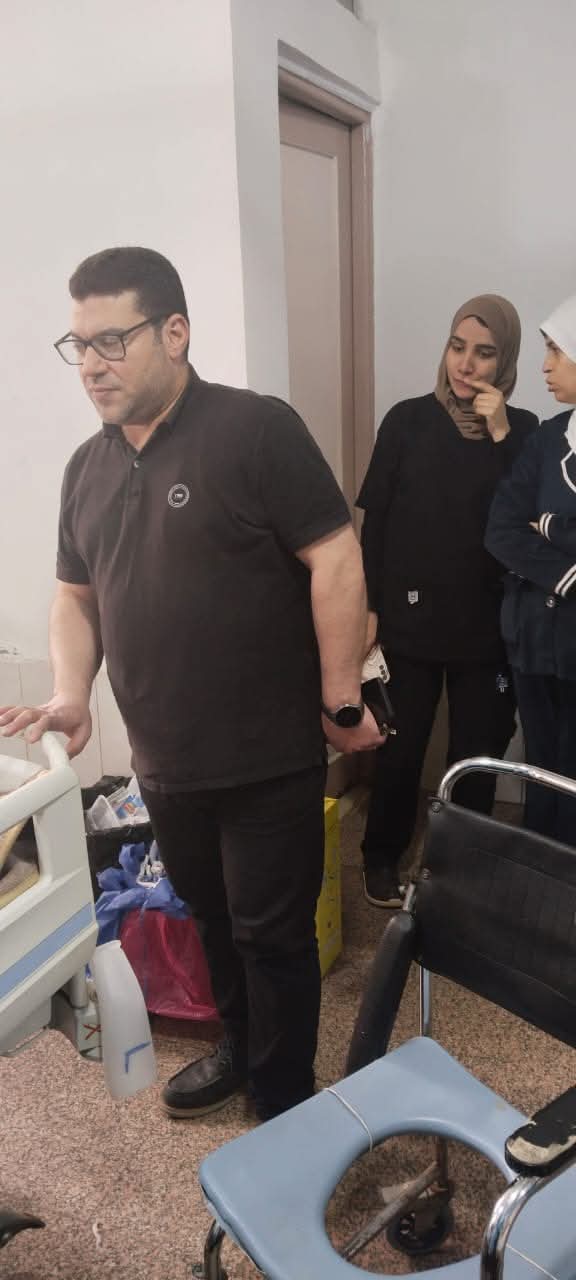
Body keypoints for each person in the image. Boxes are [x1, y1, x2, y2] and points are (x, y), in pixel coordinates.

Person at [0, 246, 383, 1122]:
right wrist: (71, 692)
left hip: (267, 757)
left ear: (174, 333)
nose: (91, 365)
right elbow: (75, 594)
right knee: (209, 918)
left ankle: (283, 1103)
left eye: (113, 340)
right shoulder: (86, 468)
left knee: (272, 936)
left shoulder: (255, 430)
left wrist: (340, 698)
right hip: (165, 762)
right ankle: (242, 1049)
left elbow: (335, 556)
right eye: (79, 345)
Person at [356, 294, 538, 908]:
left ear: (504, 361)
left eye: (484, 353)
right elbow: (376, 524)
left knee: (475, 757)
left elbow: (530, 518)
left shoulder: (526, 433)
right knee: (400, 750)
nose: (466, 364)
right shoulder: (407, 421)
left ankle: (461, 869)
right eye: (458, 347)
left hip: (489, 628)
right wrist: (369, 608)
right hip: (409, 621)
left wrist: (502, 433)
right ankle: (380, 855)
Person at [485, 293, 576, 845]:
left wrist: (551, 527)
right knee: (542, 768)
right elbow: (501, 528)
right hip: (535, 640)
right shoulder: (547, 439)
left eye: (557, 351)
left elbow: (532, 527)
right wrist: (567, 573)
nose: (545, 366)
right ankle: (539, 874)